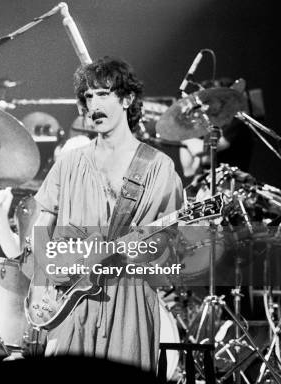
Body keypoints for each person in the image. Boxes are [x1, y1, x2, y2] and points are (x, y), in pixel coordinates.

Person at [32, 57, 183, 371]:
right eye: (88, 96)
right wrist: (39, 284)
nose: (93, 104)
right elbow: (42, 226)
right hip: (69, 300)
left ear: (127, 99)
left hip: (129, 298)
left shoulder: (157, 167)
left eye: (102, 94)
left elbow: (168, 246)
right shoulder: (69, 163)